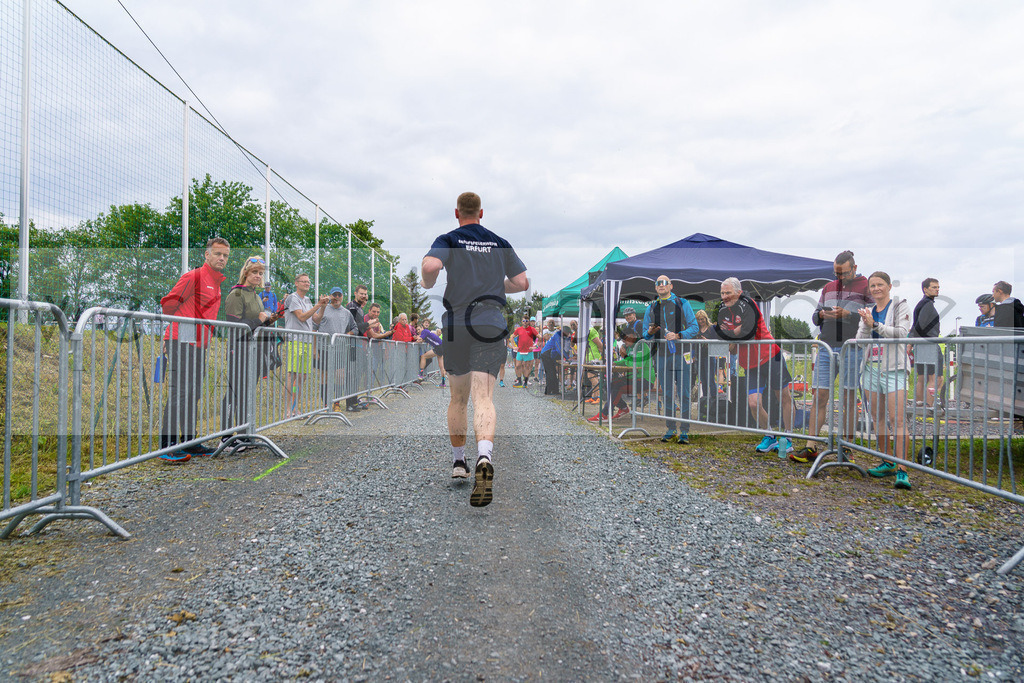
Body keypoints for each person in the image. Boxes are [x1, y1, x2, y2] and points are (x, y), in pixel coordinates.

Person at [421, 191, 528, 507]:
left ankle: (459, 462)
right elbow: (522, 282)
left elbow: (430, 265)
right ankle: (484, 458)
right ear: (481, 213)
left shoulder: (449, 238)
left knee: (458, 398)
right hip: (489, 323)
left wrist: (428, 282)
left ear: (457, 213)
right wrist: (495, 285)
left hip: (457, 324)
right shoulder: (499, 242)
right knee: (484, 398)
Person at [791, 250, 872, 464]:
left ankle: (847, 447)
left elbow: (873, 317)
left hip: (851, 347)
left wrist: (849, 315)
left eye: (843, 273)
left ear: (854, 268)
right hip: (826, 347)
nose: (840, 277)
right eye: (836, 273)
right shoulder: (828, 287)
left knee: (848, 398)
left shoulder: (866, 285)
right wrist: (820, 315)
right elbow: (814, 317)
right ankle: (811, 445)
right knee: (819, 396)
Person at [158, 237, 230, 463]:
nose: (222, 258)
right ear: (207, 255)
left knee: (194, 392)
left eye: (225, 255)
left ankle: (189, 441)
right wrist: (175, 330)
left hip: (199, 343)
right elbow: (169, 304)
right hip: (181, 340)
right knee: (180, 391)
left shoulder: (216, 282)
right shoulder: (194, 276)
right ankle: (168, 446)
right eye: (217, 254)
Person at [715, 277, 797, 456]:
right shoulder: (723, 311)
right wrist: (733, 335)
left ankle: (789, 436)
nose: (725, 296)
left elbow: (746, 332)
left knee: (783, 397)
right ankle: (769, 435)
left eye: (728, 292)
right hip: (750, 363)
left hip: (771, 356)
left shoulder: (748, 304)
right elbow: (729, 344)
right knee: (753, 403)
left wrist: (732, 335)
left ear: (738, 292)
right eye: (722, 293)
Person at [856, 271, 913, 490]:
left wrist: (875, 326)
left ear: (889, 286)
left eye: (880, 284)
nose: (876, 289)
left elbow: (901, 333)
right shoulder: (869, 311)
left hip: (894, 369)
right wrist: (866, 324)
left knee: (897, 419)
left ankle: (902, 469)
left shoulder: (900, 307)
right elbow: (860, 342)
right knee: (878, 418)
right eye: (872, 286)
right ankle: (887, 461)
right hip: (871, 368)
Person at [222, 256, 281, 445]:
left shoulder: (256, 295)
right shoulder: (236, 294)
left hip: (253, 351)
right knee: (234, 393)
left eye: (261, 273)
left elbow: (257, 324)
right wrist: (259, 320)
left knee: (247, 393)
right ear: (246, 272)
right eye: (255, 272)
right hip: (238, 349)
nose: (258, 276)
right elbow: (234, 326)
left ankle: (243, 434)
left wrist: (269, 321)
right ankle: (225, 437)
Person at [642, 275, 699, 444]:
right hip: (661, 355)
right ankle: (671, 428)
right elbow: (645, 334)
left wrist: (678, 335)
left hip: (681, 354)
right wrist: (650, 333)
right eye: (658, 283)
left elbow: (694, 327)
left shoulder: (682, 303)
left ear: (671, 286)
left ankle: (685, 431)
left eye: (664, 283)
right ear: (655, 288)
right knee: (666, 393)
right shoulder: (651, 307)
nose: (661, 285)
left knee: (684, 393)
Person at [587, 326, 654, 422]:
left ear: (632, 336)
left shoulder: (641, 346)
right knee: (608, 385)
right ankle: (623, 408)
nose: (623, 341)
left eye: (625, 339)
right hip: (634, 378)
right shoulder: (631, 346)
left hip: (644, 380)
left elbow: (636, 366)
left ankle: (605, 414)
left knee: (617, 386)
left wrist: (625, 356)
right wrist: (615, 363)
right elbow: (627, 362)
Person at [283, 273, 328, 418]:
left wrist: (322, 307)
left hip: (307, 340)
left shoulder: (307, 300)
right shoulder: (292, 298)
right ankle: (288, 410)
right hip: (295, 339)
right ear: (296, 283)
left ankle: (295, 408)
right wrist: (318, 305)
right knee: (292, 375)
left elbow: (316, 319)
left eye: (308, 282)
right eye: (304, 281)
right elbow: (301, 317)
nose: (307, 284)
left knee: (302, 376)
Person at [313, 286, 358, 410]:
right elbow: (314, 328)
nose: (337, 297)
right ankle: (326, 404)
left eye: (339, 295)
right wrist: (314, 349)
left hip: (339, 349)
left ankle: (336, 403)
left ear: (342, 297)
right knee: (325, 376)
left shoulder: (346, 313)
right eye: (334, 295)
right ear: (330, 296)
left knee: (340, 376)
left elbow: (355, 328)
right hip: (323, 348)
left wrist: (347, 334)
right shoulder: (323, 309)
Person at [910, 277, 943, 409]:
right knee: (936, 378)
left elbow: (915, 325)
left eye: (938, 287)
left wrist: (911, 342)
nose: (937, 289)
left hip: (920, 344)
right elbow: (920, 325)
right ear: (925, 289)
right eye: (934, 287)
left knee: (922, 377)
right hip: (928, 343)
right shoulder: (927, 304)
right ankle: (928, 407)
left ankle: (919, 405)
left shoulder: (922, 303)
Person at [345, 284, 371, 411]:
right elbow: (355, 327)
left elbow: (360, 329)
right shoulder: (352, 306)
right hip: (351, 344)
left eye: (365, 294)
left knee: (356, 374)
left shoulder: (360, 308)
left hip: (358, 344)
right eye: (361, 294)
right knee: (351, 374)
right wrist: (368, 324)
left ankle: (354, 400)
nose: (363, 296)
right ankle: (350, 403)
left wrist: (366, 325)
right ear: (355, 293)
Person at [540, 324, 569, 395]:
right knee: (550, 373)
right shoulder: (558, 335)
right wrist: (567, 357)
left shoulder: (559, 335)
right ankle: (549, 391)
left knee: (553, 373)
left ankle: (554, 390)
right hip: (546, 354)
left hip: (549, 354)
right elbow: (559, 348)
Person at [512, 317, 538, 387]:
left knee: (527, 366)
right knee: (518, 366)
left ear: (528, 322)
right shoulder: (519, 329)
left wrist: (536, 346)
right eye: (524, 320)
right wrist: (513, 346)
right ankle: (519, 380)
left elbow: (539, 337)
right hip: (520, 351)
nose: (525, 322)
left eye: (526, 320)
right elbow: (512, 337)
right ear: (522, 321)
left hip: (528, 351)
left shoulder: (532, 329)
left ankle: (525, 381)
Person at [419, 319, 445, 385]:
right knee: (441, 366)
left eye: (428, 323)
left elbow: (420, 340)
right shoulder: (427, 331)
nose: (427, 324)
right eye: (425, 323)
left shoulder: (425, 331)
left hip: (438, 347)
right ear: (422, 323)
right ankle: (443, 383)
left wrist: (416, 339)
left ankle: (421, 374)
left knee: (423, 357)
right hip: (441, 346)